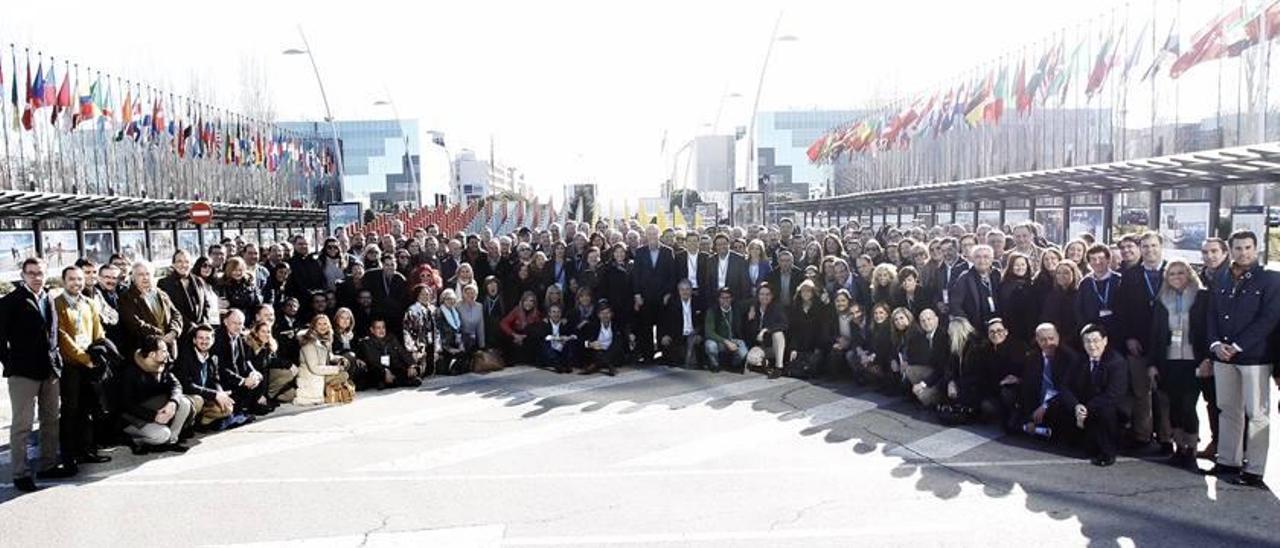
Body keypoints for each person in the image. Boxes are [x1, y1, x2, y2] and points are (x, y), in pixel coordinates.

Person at [1203, 230, 1280, 488]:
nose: (1243, 252)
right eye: (1238, 248)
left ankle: (1254, 470)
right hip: (1223, 357)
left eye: (1247, 247)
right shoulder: (1222, 277)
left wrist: (1237, 345)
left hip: (1254, 357)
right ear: (1230, 250)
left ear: (1256, 248)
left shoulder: (1271, 279)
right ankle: (1227, 461)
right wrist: (1215, 344)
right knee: (1228, 410)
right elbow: (1211, 314)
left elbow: (1269, 319)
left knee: (1257, 414)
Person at [1, 258, 77, 492]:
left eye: (40, 273)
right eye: (32, 273)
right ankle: (20, 473)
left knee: (50, 420)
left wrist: (57, 363)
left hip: (50, 370)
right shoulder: (11, 302)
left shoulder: (49, 298)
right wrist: (11, 362)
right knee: (22, 424)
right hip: (23, 373)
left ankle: (48, 464)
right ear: (23, 275)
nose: (36, 277)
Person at [1147, 259, 1209, 469]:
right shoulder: (1161, 299)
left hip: (1194, 360)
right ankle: (1178, 447)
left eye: (1181, 273)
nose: (1176, 277)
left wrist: (1206, 359)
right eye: (1171, 274)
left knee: (1188, 405)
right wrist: (1152, 364)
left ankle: (1191, 448)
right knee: (1173, 406)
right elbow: (1155, 334)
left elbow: (1208, 330)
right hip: (1169, 361)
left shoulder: (1202, 297)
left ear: (1189, 274)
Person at [54, 265, 113, 465]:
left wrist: (97, 356)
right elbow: (62, 337)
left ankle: (87, 450)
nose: (76, 283)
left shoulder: (89, 303)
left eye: (79, 279)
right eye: (72, 279)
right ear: (64, 281)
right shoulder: (57, 304)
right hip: (71, 366)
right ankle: (69, 455)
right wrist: (84, 359)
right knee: (70, 411)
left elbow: (98, 333)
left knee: (89, 409)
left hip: (90, 365)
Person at [1117, 231, 1168, 453]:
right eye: (1145, 246)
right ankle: (1142, 435)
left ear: (1161, 247)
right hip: (1138, 341)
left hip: (1167, 343)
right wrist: (1129, 337)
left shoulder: (1173, 271)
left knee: (1165, 393)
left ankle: (1167, 437)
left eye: (1153, 246)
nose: (1149, 250)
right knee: (1141, 392)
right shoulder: (1131, 275)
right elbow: (1122, 310)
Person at [118, 334, 193, 454]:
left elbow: (176, 385)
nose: (167, 353)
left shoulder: (162, 365)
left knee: (184, 402)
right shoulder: (131, 372)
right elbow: (127, 404)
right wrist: (154, 416)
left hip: (156, 410)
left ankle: (171, 442)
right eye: (163, 351)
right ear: (152, 354)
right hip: (135, 419)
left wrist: (172, 403)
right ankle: (135, 440)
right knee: (162, 435)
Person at [1073, 324, 1130, 467]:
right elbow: (1065, 386)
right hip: (1085, 406)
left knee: (1107, 411)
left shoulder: (1116, 362)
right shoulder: (1079, 359)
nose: (1092, 346)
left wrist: (1086, 408)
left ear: (1105, 341)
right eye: (1087, 341)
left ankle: (1108, 452)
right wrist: (1076, 406)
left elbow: (1113, 394)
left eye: (1095, 341)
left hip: (1110, 408)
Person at [1018, 323, 1083, 445]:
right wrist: (1030, 416)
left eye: (1051, 338)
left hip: (1059, 404)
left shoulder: (1070, 358)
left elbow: (1066, 389)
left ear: (1058, 338)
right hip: (1038, 405)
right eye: (1043, 340)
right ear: (1037, 340)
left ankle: (1044, 431)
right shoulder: (1032, 358)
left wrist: (1046, 406)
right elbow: (1027, 390)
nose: (1048, 343)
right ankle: (1038, 429)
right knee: (1012, 424)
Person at [173, 324, 241, 431]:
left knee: (227, 408)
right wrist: (214, 394)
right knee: (198, 400)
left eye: (207, 338)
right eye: (200, 338)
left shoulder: (213, 358)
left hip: (204, 395)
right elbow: (186, 385)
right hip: (188, 396)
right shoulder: (185, 357)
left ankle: (200, 422)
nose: (204, 341)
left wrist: (220, 393)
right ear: (194, 340)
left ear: (213, 340)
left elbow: (215, 380)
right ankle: (185, 427)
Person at [119, 260, 183, 358]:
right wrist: (160, 337)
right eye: (141, 274)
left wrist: (174, 332)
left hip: (169, 350)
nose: (145, 278)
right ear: (133, 277)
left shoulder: (161, 294)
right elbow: (134, 323)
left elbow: (176, 314)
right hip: (146, 352)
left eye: (148, 274)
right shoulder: (127, 297)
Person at [214, 309, 272, 416]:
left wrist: (253, 373)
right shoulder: (218, 338)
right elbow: (221, 368)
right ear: (225, 322)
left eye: (240, 323)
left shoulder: (239, 337)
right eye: (234, 323)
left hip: (236, 378)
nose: (237, 326)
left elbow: (244, 361)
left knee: (258, 377)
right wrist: (242, 381)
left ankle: (252, 405)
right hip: (223, 382)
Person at [632, 224, 677, 363]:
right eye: (649, 234)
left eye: (654, 234)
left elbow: (672, 275)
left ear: (659, 235)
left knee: (663, 326)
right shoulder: (640, 252)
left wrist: (668, 293)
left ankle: (664, 355)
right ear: (646, 236)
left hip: (662, 296)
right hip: (645, 297)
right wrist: (637, 294)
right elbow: (636, 275)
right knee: (646, 327)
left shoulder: (668, 252)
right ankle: (648, 355)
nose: (652, 236)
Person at [296, 314, 353, 405]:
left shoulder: (325, 339)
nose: (323, 326)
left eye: (325, 324)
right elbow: (314, 368)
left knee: (344, 373)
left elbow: (329, 356)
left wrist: (340, 359)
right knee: (343, 375)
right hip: (311, 376)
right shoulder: (309, 342)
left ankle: (328, 391)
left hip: (320, 373)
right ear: (314, 326)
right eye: (319, 324)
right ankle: (324, 391)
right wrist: (337, 369)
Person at [158, 250, 213, 340]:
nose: (183, 265)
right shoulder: (164, 283)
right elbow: (169, 310)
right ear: (173, 264)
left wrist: (203, 324)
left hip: (200, 334)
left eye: (186, 262)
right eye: (179, 261)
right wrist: (190, 326)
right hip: (180, 334)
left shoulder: (198, 281)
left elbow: (206, 305)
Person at [784, 280, 831, 379]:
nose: (806, 293)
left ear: (813, 292)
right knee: (793, 362)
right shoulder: (795, 308)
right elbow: (793, 331)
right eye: (803, 291)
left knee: (814, 362)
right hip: (800, 346)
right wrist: (794, 348)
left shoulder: (820, 307)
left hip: (815, 347)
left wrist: (818, 348)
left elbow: (823, 330)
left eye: (808, 290)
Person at [357, 318, 422, 388]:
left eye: (383, 327)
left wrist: (411, 365)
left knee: (411, 369)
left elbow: (402, 353)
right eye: (378, 328)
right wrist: (385, 371)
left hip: (393, 369)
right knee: (378, 373)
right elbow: (373, 360)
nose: (381, 330)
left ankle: (401, 380)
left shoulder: (391, 338)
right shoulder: (366, 343)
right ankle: (400, 381)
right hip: (379, 371)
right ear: (372, 330)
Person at [949, 244, 1001, 330]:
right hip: (975, 325)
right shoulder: (965, 277)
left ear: (992, 259)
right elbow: (955, 304)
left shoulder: (997, 275)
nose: (982, 260)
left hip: (998, 323)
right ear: (973, 259)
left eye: (986, 257)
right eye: (978, 257)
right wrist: (966, 323)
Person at [247, 319, 297, 404]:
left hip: (263, 382)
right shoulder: (248, 346)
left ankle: (268, 397)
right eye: (263, 331)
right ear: (256, 332)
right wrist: (260, 394)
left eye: (268, 332)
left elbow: (271, 362)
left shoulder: (266, 347)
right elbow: (256, 371)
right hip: (250, 382)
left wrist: (289, 364)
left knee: (291, 394)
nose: (266, 334)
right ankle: (261, 399)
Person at [745, 283, 788, 379]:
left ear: (772, 296)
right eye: (762, 294)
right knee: (752, 359)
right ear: (758, 296)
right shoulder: (754, 308)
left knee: (778, 334)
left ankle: (778, 367)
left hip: (774, 346)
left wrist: (766, 330)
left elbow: (784, 325)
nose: (764, 297)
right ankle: (766, 362)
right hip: (760, 346)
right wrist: (749, 319)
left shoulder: (777, 308)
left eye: (767, 294)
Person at [658, 279, 704, 368]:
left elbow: (703, 322)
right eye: (682, 289)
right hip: (677, 335)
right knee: (675, 360)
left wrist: (701, 335)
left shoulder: (698, 302)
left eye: (687, 289)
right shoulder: (672, 303)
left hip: (694, 336)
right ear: (678, 291)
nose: (685, 292)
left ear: (691, 290)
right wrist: (664, 335)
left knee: (695, 358)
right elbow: (664, 321)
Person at [364, 253, 410, 336]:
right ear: (382, 265)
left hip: (395, 317)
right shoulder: (371, 276)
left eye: (392, 264)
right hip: (377, 315)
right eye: (387, 265)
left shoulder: (400, 279)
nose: (390, 267)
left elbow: (404, 301)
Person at [703, 287, 747, 372]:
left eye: (728, 297)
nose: (725, 300)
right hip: (719, 341)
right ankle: (715, 364)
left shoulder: (737, 309)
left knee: (743, 353)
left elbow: (752, 301)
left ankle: (733, 364)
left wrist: (752, 309)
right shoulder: (712, 311)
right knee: (710, 346)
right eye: (722, 298)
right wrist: (725, 341)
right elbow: (709, 332)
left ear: (732, 298)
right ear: (718, 299)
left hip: (734, 340)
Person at [580, 300, 623, 376]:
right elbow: (582, 341)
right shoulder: (592, 326)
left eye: (607, 313)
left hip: (612, 352)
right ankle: (609, 365)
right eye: (602, 313)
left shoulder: (617, 326)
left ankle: (595, 365)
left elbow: (618, 343)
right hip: (597, 352)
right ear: (598, 315)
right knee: (596, 353)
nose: (605, 316)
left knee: (615, 349)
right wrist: (590, 344)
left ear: (611, 314)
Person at [402, 284, 439, 374]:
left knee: (430, 371)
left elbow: (437, 330)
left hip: (431, 343)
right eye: (422, 294)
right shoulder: (412, 311)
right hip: (418, 347)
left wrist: (437, 348)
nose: (425, 297)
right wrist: (413, 349)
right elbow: (407, 332)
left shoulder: (433, 309)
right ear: (417, 296)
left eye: (427, 294)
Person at [436, 288, 472, 375]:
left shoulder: (455, 312)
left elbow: (458, 330)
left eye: (453, 299)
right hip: (445, 346)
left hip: (455, 342)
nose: (451, 301)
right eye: (448, 299)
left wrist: (460, 345)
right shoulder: (439, 313)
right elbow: (439, 332)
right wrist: (448, 348)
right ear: (443, 300)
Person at [535, 303, 577, 373]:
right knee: (545, 344)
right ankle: (557, 364)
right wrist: (559, 338)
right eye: (553, 312)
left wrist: (567, 338)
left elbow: (574, 335)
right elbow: (545, 337)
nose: (556, 314)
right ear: (549, 313)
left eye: (558, 312)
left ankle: (567, 364)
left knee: (570, 344)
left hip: (561, 349)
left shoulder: (565, 323)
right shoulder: (545, 323)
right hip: (549, 350)